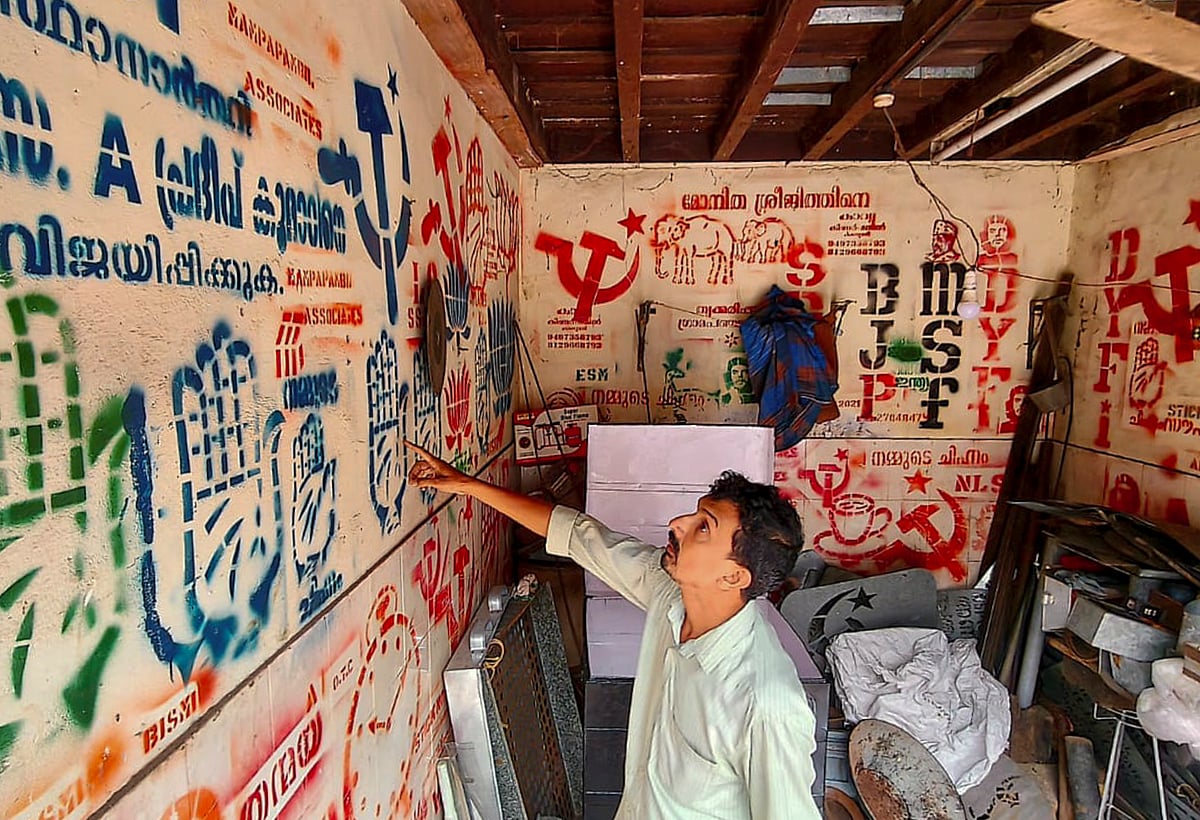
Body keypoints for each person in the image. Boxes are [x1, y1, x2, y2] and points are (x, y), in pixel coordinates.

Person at [406, 441, 821, 819]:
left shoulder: (766, 702)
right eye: (695, 513)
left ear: (734, 576)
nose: (678, 523)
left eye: (704, 527)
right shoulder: (672, 594)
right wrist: (470, 486)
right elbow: (581, 537)